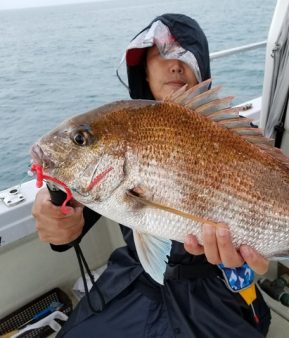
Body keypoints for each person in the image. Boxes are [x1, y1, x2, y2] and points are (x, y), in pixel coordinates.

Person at [32, 13, 271, 337]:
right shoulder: (116, 131)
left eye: (185, 56)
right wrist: (58, 216)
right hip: (135, 278)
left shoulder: (237, 137)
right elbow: (77, 212)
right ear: (142, 68)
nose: (174, 64)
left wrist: (243, 268)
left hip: (215, 286)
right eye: (160, 54)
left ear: (202, 68)